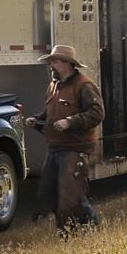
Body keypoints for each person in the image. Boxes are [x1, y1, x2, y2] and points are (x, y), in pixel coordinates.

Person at [25, 45, 105, 233]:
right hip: (55, 148)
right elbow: (49, 115)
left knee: (71, 196)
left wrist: (70, 122)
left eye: (56, 60)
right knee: (52, 194)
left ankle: (83, 232)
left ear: (68, 63)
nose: (52, 64)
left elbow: (97, 113)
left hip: (74, 149)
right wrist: (36, 121)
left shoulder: (84, 85)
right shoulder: (53, 86)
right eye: (51, 61)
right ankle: (78, 231)